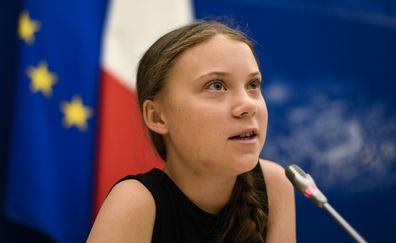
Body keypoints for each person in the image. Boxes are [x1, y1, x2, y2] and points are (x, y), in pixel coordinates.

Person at [87, 20, 296, 243]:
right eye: (216, 85)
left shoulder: (274, 184)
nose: (248, 105)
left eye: (253, 85)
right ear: (157, 117)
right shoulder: (135, 203)